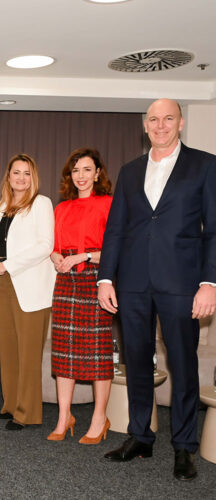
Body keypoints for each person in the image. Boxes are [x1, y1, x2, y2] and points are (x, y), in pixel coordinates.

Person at [99, 98, 216, 481]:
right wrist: (105, 278)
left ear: (180, 123)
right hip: (132, 284)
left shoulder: (204, 165)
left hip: (182, 284)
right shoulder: (130, 170)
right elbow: (116, 228)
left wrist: (209, 283)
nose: (160, 125)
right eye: (153, 119)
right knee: (136, 361)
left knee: (183, 365)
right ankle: (140, 436)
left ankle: (184, 447)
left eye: (168, 118)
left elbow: (214, 230)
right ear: (145, 125)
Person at [47, 148, 113, 444]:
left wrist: (83, 256)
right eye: (76, 170)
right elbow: (53, 247)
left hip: (97, 279)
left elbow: (115, 250)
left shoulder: (109, 204)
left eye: (87, 169)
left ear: (98, 173)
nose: (81, 176)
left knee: (98, 352)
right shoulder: (62, 208)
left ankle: (100, 418)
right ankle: (64, 417)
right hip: (65, 282)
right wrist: (57, 257)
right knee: (64, 352)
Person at [0, 153, 55, 430]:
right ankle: (11, 404)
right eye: (16, 172)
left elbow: (45, 245)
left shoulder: (41, 203)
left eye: (26, 173)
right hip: (3, 283)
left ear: (33, 178)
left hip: (30, 284)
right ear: (8, 176)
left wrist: (9, 265)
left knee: (28, 353)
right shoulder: (2, 206)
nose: (21, 178)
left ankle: (27, 413)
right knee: (8, 349)